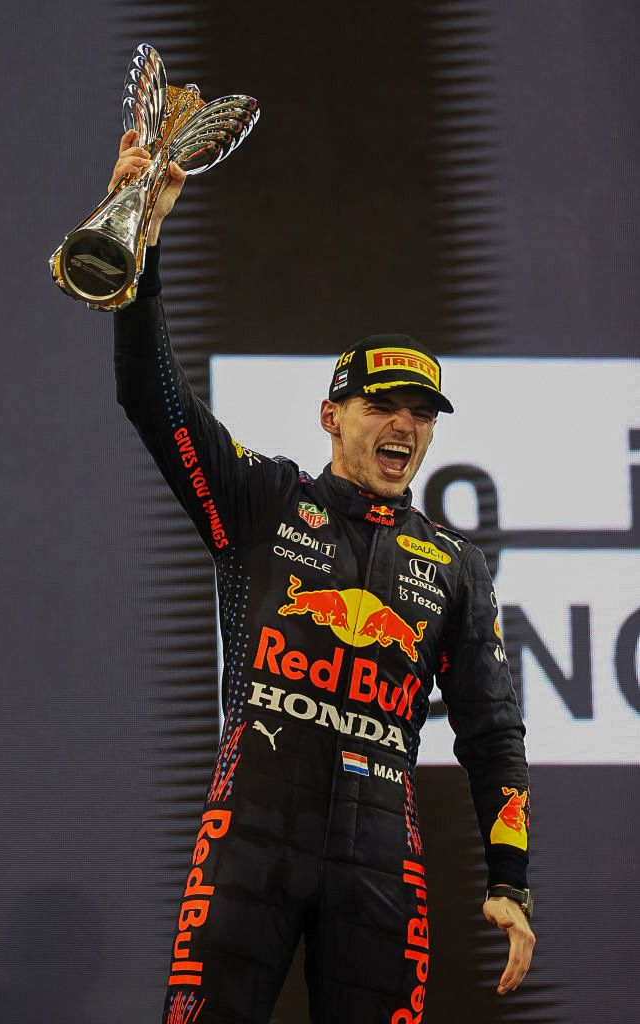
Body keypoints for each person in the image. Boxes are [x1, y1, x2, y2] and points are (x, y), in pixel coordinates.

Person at [111, 130, 535, 1024]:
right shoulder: (262, 500)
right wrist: (140, 247)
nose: (403, 427)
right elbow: (154, 398)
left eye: (421, 414)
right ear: (329, 415)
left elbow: (492, 732)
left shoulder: (455, 566)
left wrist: (509, 880)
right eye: (381, 405)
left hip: (380, 863)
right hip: (248, 838)